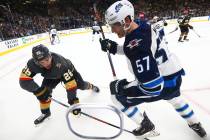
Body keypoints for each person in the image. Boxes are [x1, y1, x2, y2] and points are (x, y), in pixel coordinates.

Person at [99, 0, 206, 138]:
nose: (113, 30)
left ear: (127, 20)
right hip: (174, 74)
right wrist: (114, 48)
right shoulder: (142, 26)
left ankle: (145, 125)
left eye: (115, 25)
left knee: (116, 95)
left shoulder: (136, 45)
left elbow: (153, 86)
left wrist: (125, 88)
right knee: (176, 99)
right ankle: (195, 124)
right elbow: (139, 46)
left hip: (160, 83)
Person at [19, 44, 99, 125]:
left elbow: (71, 85)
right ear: (36, 62)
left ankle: (91, 86)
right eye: (41, 62)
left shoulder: (61, 64)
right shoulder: (32, 64)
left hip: (68, 71)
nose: (46, 64)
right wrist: (39, 91)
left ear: (50, 55)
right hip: (51, 76)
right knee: (44, 94)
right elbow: (23, 81)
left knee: (81, 85)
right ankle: (45, 113)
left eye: (47, 59)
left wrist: (73, 102)